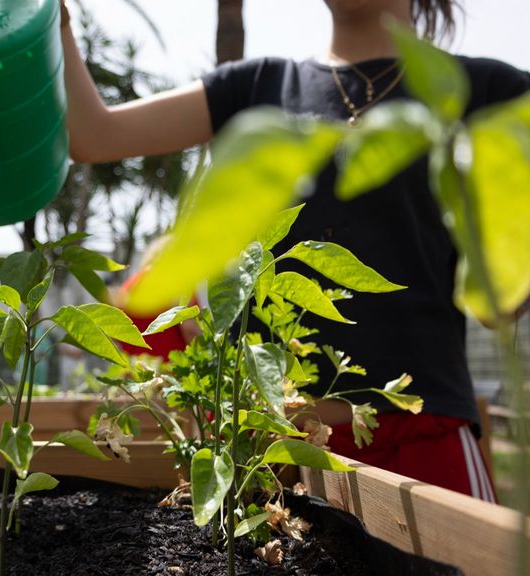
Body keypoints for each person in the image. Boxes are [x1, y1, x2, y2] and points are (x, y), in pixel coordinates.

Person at [61, 0, 530, 501]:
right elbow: (93, 134)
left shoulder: (488, 93)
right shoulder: (256, 88)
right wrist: (57, 21)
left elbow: (504, 298)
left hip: (421, 443)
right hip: (271, 452)